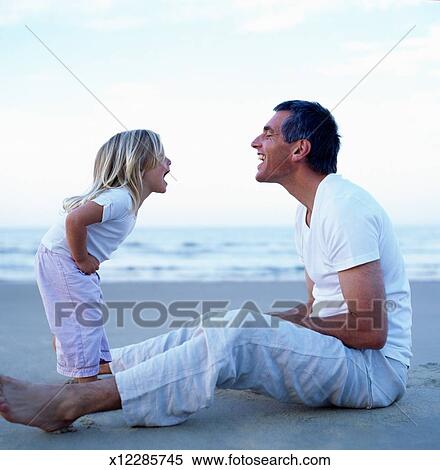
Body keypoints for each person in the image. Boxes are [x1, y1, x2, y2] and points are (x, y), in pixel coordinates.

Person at [0, 100, 411, 432]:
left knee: (241, 331)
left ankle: (77, 401)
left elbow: (368, 330)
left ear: (300, 149)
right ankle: (108, 365)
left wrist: (265, 326)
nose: (255, 141)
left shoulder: (344, 207)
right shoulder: (310, 212)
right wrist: (266, 321)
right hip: (341, 355)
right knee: (226, 322)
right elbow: (320, 311)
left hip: (373, 373)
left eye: (268, 133)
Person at [35, 129, 171, 383]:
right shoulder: (120, 198)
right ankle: (85, 384)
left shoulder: (125, 201)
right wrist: (82, 259)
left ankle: (89, 361)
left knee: (86, 315)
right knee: (83, 320)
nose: (169, 162)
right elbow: (75, 220)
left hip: (61, 257)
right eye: (162, 157)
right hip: (63, 258)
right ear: (142, 165)